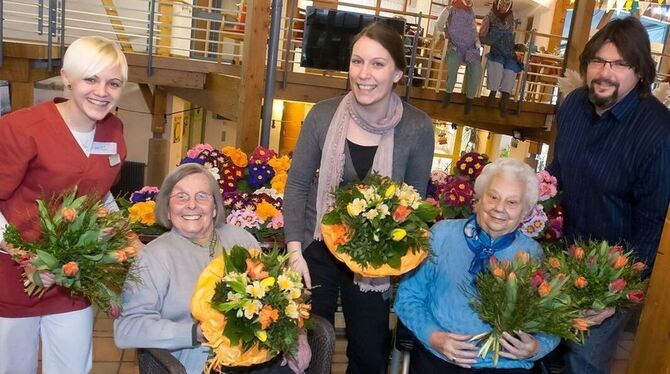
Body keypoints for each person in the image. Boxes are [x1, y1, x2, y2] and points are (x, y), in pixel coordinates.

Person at [283, 21, 435, 374]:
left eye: (378, 64)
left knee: (369, 355)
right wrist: (294, 252)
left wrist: (392, 264)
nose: (364, 74)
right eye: (357, 61)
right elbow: (298, 185)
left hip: (374, 259)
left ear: (397, 72)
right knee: (306, 351)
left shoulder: (417, 127)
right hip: (316, 246)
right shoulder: (321, 115)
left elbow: (415, 206)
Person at [547, 17, 670, 374]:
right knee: (541, 351)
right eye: (598, 61)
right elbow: (560, 170)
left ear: (640, 71)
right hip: (560, 258)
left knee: (582, 362)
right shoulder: (571, 106)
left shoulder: (659, 133)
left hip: (609, 277)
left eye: (620, 64)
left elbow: (651, 227)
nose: (606, 73)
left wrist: (615, 296)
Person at [0, 36, 128, 374]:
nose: (102, 91)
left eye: (113, 83)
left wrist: (126, 239)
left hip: (72, 280)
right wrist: (27, 258)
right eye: (91, 78)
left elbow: (98, 193)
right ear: (67, 77)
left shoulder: (113, 131)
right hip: (12, 278)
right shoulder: (20, 129)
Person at [114, 164, 311, 374]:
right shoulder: (153, 257)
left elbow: (281, 296)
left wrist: (298, 337)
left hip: (258, 354)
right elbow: (127, 328)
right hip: (201, 362)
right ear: (168, 210)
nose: (192, 205)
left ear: (215, 207)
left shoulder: (241, 239)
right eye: (181, 197)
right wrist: (196, 333)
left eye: (201, 196)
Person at [394, 158, 559, 373]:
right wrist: (433, 336)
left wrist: (536, 347)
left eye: (512, 202)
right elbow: (408, 296)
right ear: (478, 198)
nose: (499, 208)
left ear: (525, 212)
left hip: (504, 364)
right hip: (441, 356)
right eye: (493, 197)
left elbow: (552, 320)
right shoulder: (441, 235)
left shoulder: (532, 254)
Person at [434, 0, 482, 114]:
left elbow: (474, 29)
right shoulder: (449, 10)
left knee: (476, 70)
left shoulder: (471, 12)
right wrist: (441, 34)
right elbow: (439, 24)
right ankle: (447, 94)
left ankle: (469, 99)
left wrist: (477, 41)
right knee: (453, 65)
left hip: (470, 48)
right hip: (454, 45)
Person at [480, 0, 519, 116]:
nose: (504, 6)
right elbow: (482, 36)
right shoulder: (489, 16)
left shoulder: (511, 17)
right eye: (502, 3)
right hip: (495, 50)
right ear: (497, 2)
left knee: (511, 69)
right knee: (496, 66)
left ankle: (504, 100)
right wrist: (491, 40)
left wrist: (516, 46)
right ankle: (492, 95)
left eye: (507, 4)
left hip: (509, 51)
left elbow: (511, 35)